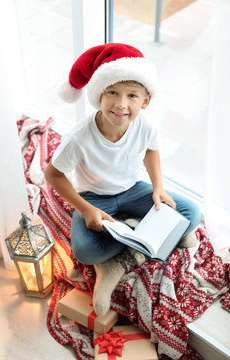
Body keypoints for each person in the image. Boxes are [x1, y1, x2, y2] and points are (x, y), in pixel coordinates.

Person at [45, 43, 201, 316]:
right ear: (99, 95)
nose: (120, 104)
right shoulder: (80, 137)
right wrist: (86, 209)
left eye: (132, 95)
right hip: (93, 197)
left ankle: (125, 247)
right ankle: (125, 248)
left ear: (145, 101)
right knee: (85, 252)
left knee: (191, 212)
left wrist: (158, 189)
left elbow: (151, 150)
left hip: (132, 190)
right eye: (112, 93)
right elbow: (53, 175)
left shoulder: (146, 124)